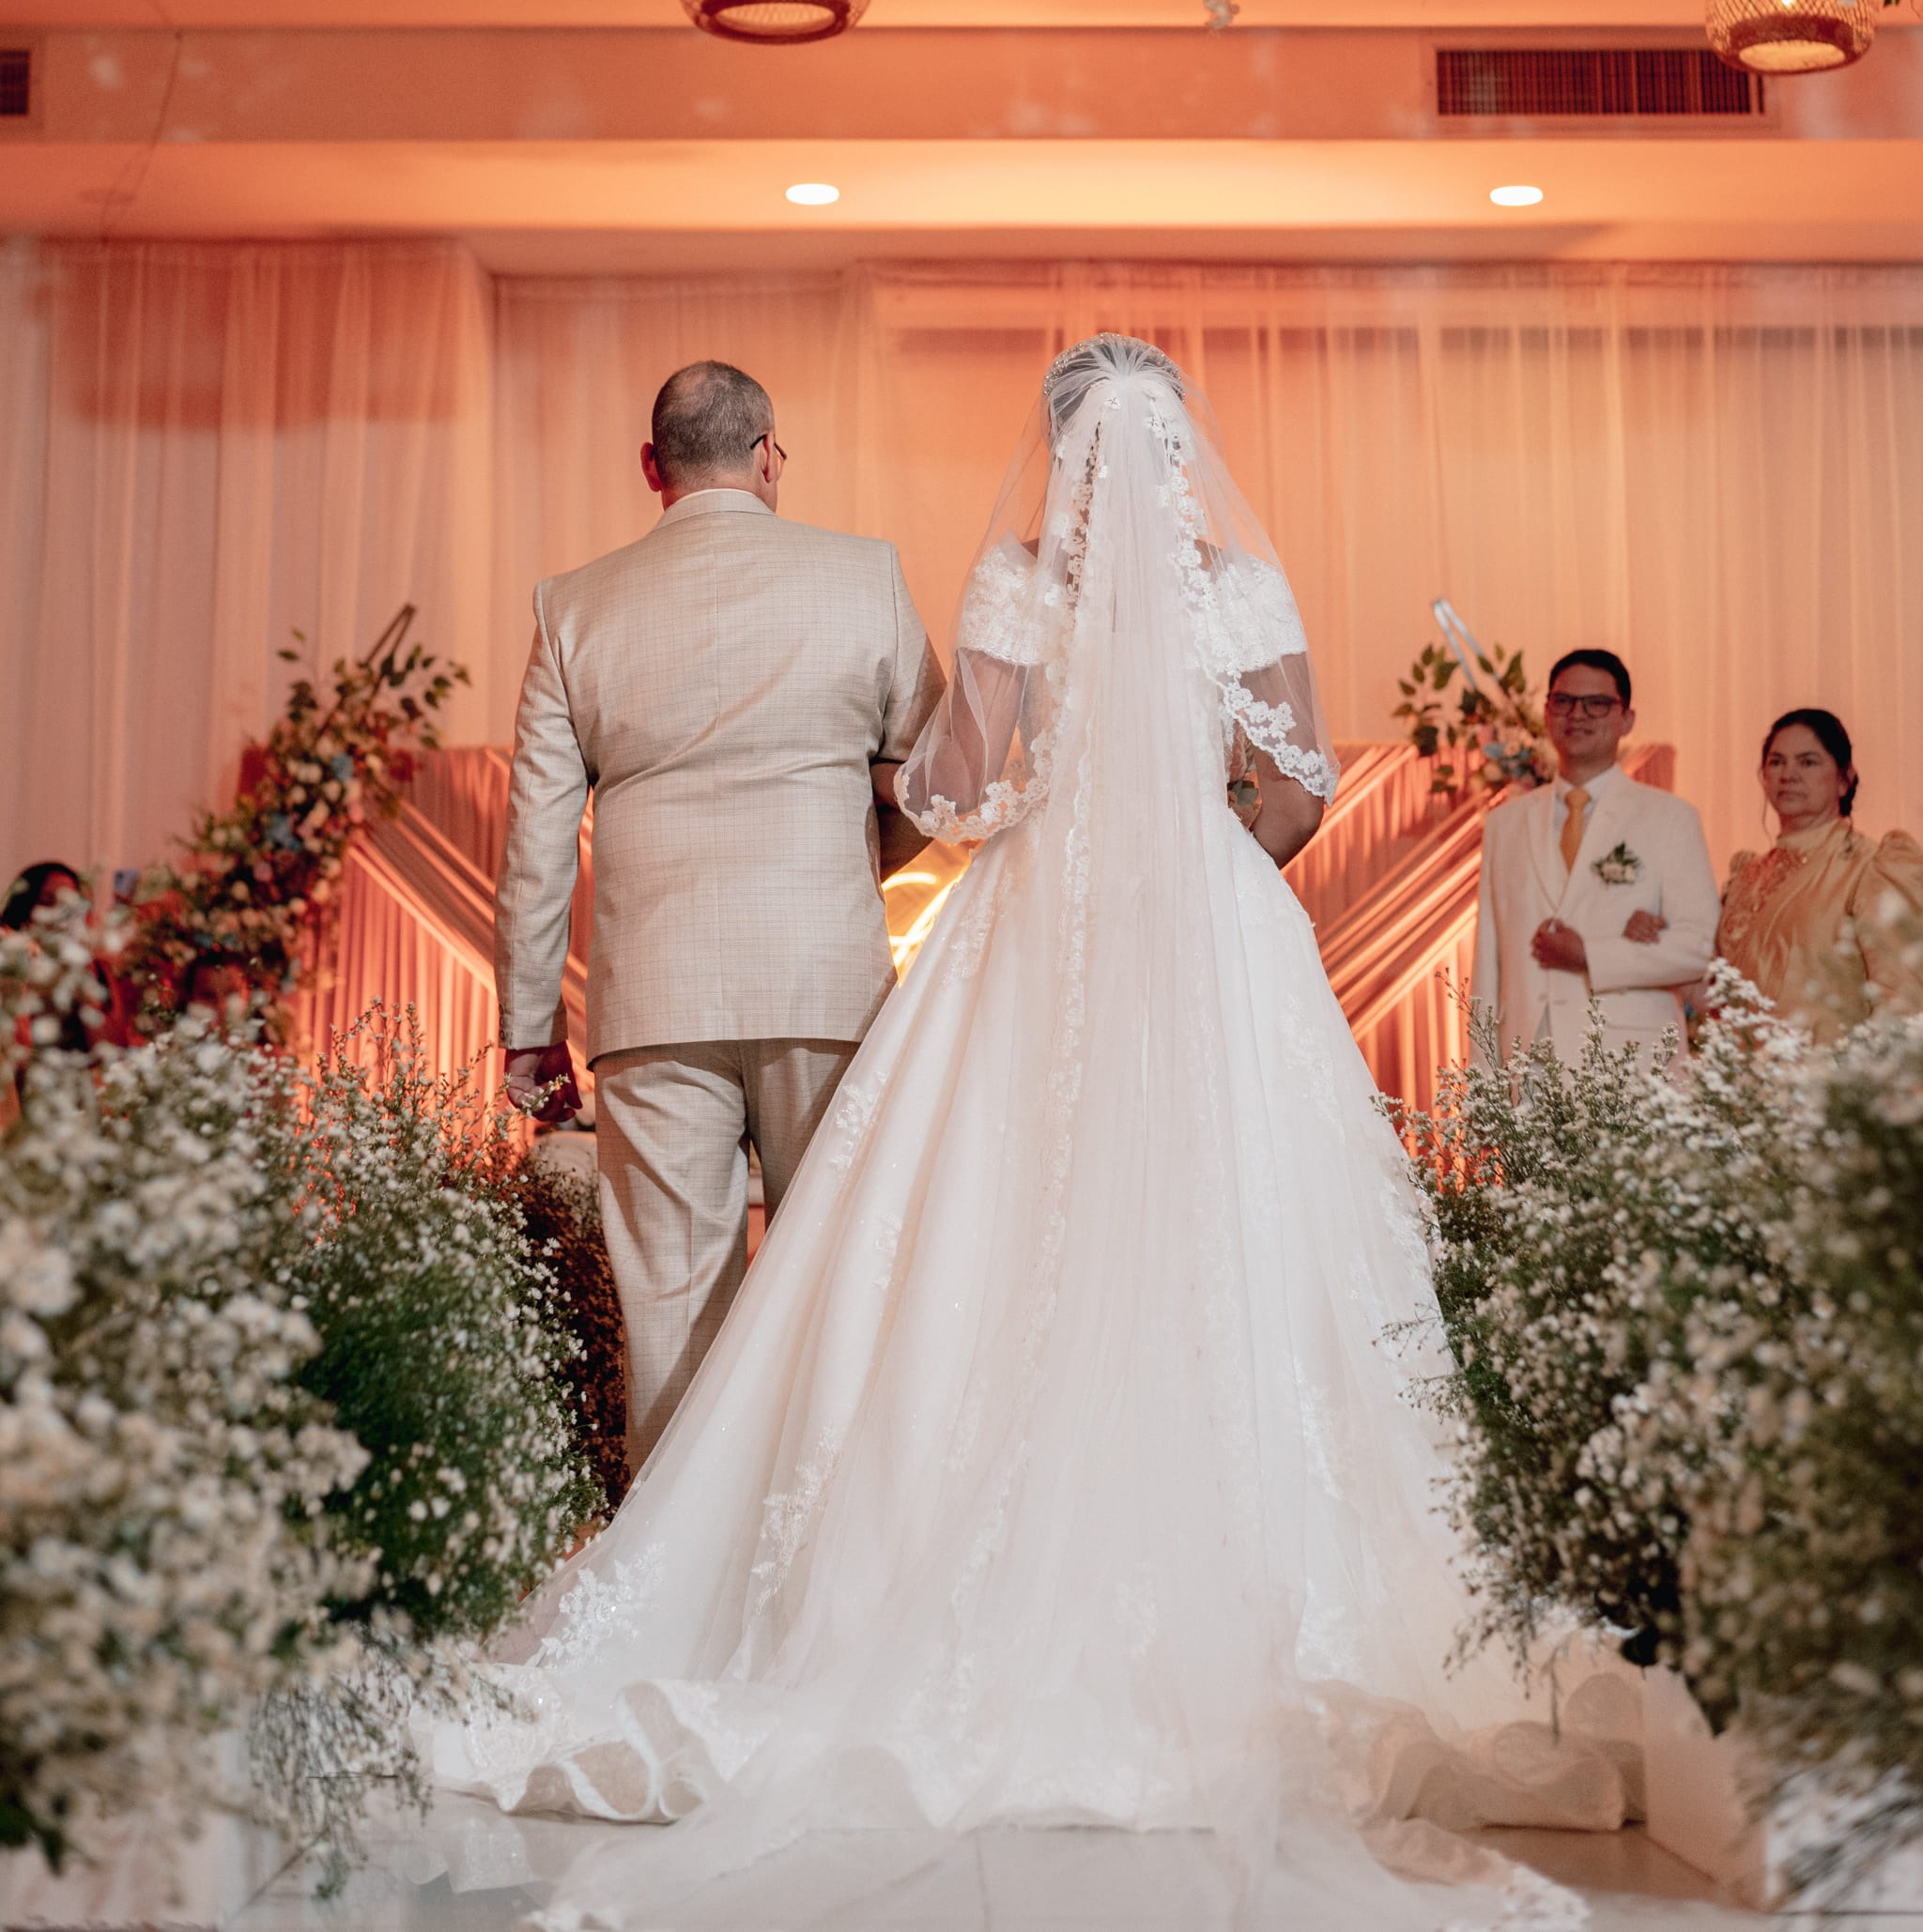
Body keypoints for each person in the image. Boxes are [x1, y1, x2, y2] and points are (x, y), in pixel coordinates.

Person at [440, 337, 1624, 1925]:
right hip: (1189, 933)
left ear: (1057, 455)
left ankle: (734, 1563)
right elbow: (1293, 792)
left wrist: (1013, 812)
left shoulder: (994, 577)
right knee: (1216, 1229)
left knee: (954, 1250)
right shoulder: (1221, 585)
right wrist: (1197, 851)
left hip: (966, 934)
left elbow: (948, 778)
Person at [493, 357, 943, 1476]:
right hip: (828, 986)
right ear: (766, 455)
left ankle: (674, 1590)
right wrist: (848, 869)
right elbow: (932, 786)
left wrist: (527, 1022)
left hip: (654, 1003)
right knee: (835, 1294)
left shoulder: (573, 606)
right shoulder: (865, 576)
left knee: (674, 1320)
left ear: (651, 466)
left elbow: (538, 843)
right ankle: (821, 1569)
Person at [1470, 648, 1717, 1064]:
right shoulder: (1505, 824)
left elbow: (1695, 948)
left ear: (1627, 719)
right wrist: (1482, 1092)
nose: (1577, 715)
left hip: (1632, 1064)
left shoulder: (1670, 818)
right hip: (1528, 1065)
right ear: (1547, 713)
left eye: (1597, 704)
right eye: (1563, 702)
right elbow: (1487, 967)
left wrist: (1591, 955)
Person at [1715, 708, 1923, 1038]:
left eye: (1808, 762)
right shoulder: (1746, 876)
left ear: (1845, 779)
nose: (1789, 774)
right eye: (1777, 762)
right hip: (1739, 1081)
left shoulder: (1869, 868)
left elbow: (1902, 1003)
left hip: (1829, 1082)